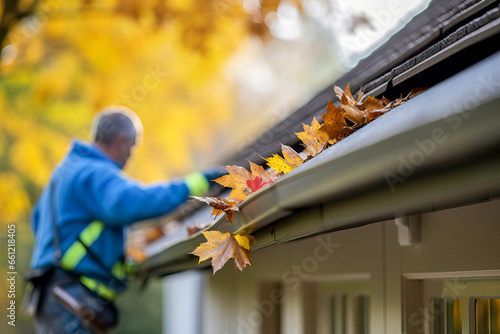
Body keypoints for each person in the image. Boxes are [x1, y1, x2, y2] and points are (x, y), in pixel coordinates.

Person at [28, 106, 225, 333]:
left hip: (53, 298)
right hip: (73, 298)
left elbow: (37, 222)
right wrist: (197, 182)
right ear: (122, 141)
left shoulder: (63, 173)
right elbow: (135, 201)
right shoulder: (96, 172)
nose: (131, 155)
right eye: (132, 148)